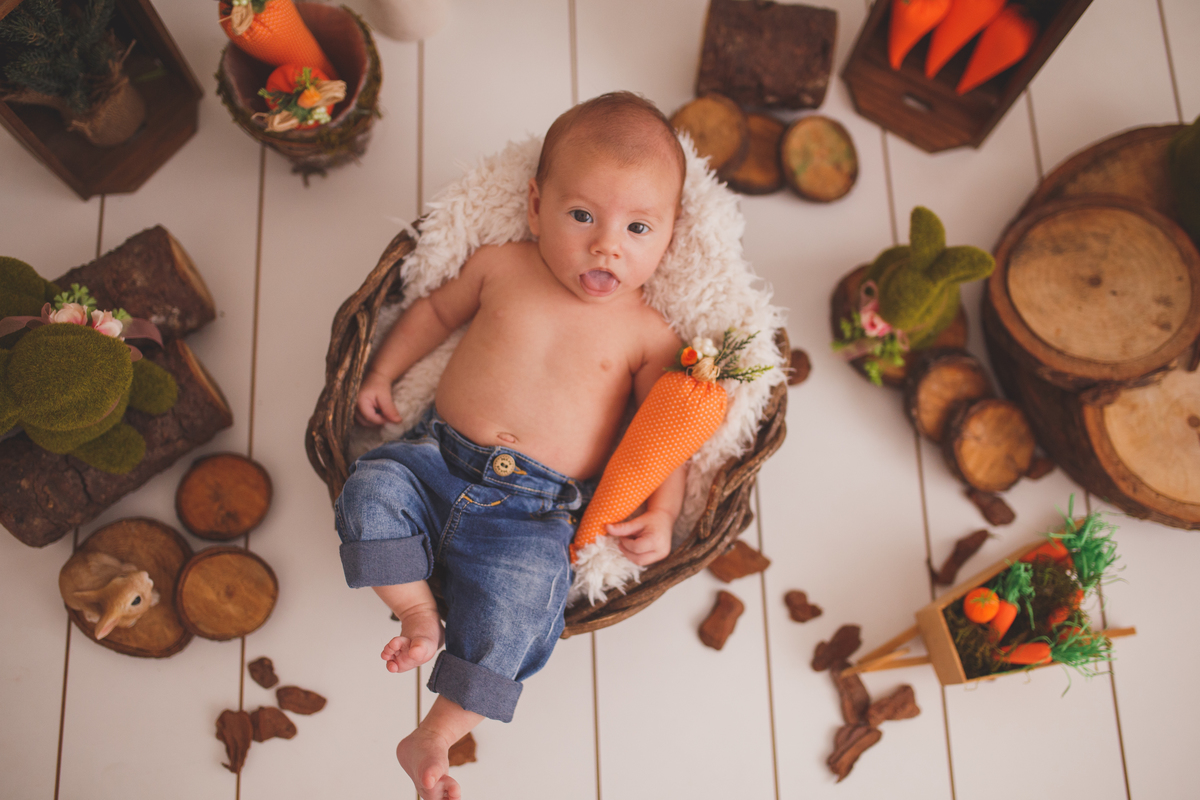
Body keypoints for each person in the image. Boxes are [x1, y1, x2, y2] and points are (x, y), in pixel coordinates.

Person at [337, 91, 687, 800]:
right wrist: (382, 370)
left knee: (527, 604)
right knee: (368, 489)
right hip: (437, 458)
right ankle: (416, 612)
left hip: (531, 514)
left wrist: (665, 509)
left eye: (639, 227)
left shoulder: (651, 337)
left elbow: (664, 432)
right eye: (581, 215)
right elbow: (432, 312)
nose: (605, 245)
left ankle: (436, 732)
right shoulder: (502, 264)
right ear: (535, 206)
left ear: (670, 238)